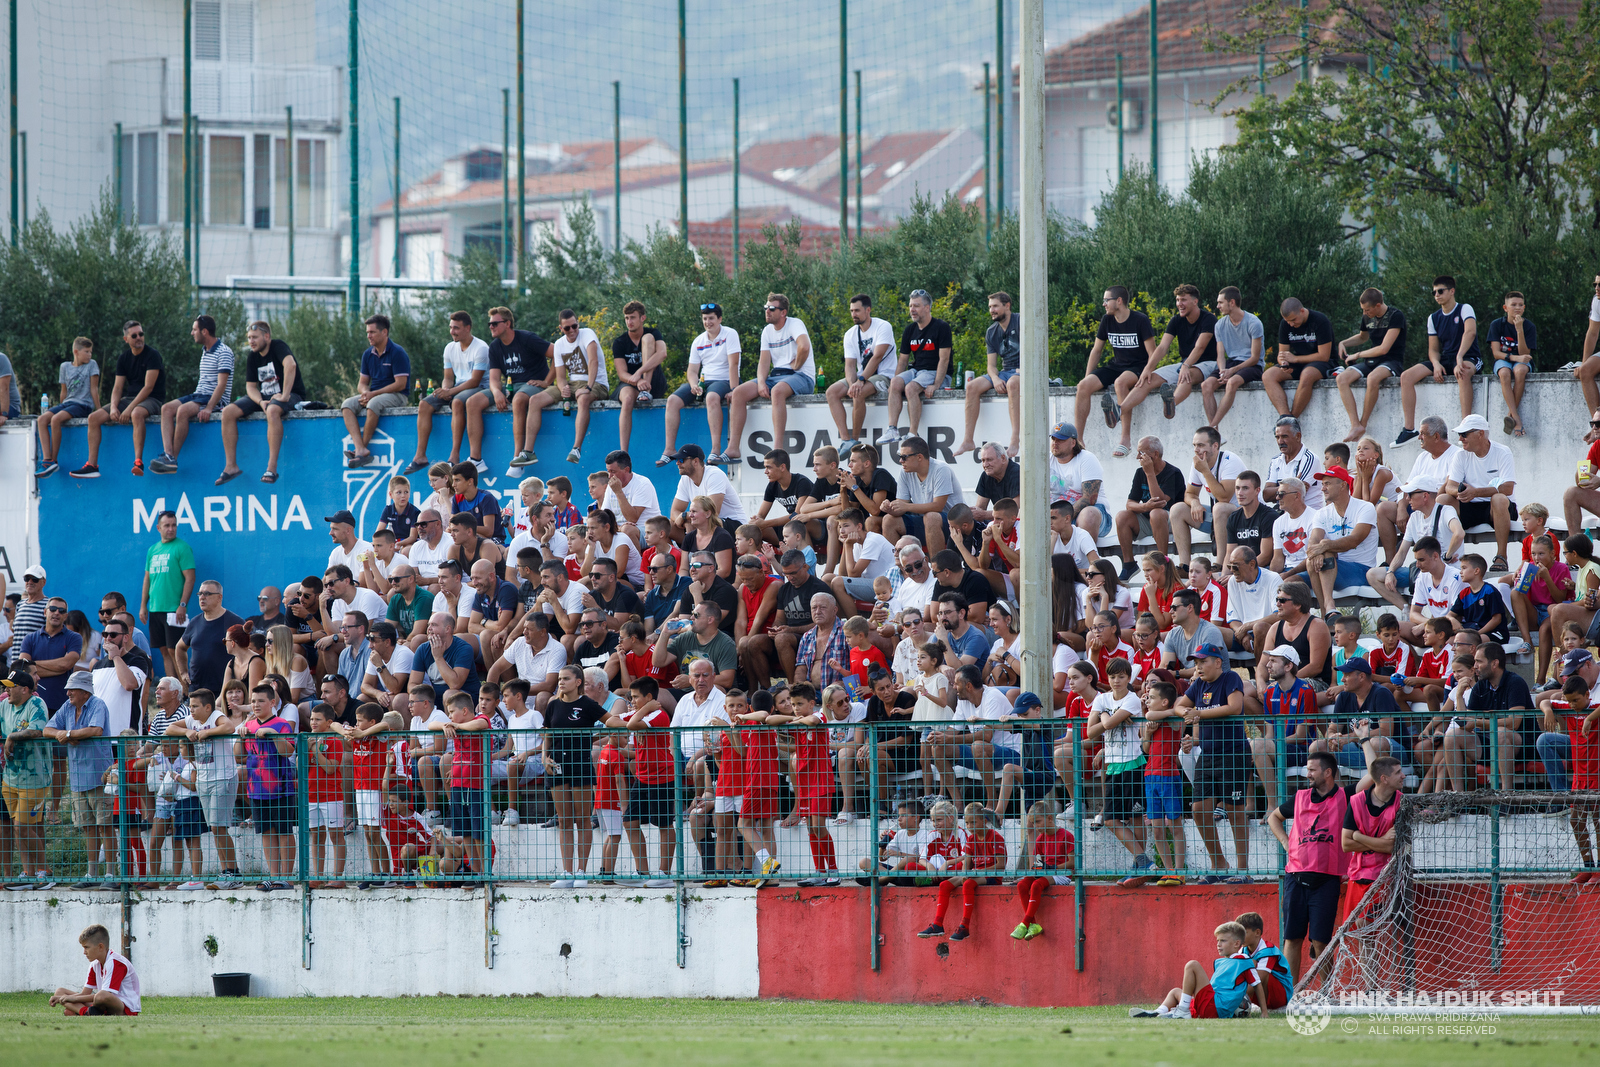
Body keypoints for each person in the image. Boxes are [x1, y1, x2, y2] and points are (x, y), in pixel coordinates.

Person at [1264, 751, 1346, 980]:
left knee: (1321, 941)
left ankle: (1328, 993)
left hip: (1327, 880)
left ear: (1328, 773)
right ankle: (1289, 993)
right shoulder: (1300, 797)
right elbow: (1273, 817)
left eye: (1312, 770)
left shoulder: (1345, 796)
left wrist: (1363, 740)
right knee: (1292, 938)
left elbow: (1372, 776)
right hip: (1296, 877)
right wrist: (1285, 842)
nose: (1307, 774)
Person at [1178, 644, 1252, 882]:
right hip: (1208, 755)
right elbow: (1179, 705)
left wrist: (1197, 713)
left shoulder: (1231, 678)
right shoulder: (1198, 684)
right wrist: (1191, 730)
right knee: (1198, 810)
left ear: (1218, 662)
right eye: (1196, 663)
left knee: (1234, 809)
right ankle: (1219, 864)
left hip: (1234, 753)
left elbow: (1234, 707)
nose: (1198, 667)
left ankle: (1242, 870)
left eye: (1203, 662)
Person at [1123, 284, 1217, 447]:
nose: (1179, 304)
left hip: (1208, 363)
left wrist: (1187, 365)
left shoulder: (1208, 319)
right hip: (1185, 363)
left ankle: (1171, 402)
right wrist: (1147, 369)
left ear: (1195, 301)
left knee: (1186, 376)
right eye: (1177, 300)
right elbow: (1162, 347)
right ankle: (1120, 409)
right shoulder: (1176, 320)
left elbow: (1200, 347)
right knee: (1148, 379)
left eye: (1184, 300)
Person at [726, 294, 814, 462]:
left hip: (801, 376)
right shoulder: (767, 331)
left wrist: (796, 365)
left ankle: (778, 449)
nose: (767, 311)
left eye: (772, 308)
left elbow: (804, 346)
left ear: (783, 312)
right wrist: (760, 383)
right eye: (766, 308)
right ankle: (734, 448)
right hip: (778, 376)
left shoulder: (795, 324)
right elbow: (764, 362)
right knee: (738, 393)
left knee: (777, 391)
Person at [72, 320, 165, 479]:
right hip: (129, 399)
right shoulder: (124, 358)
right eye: (134, 335)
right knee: (93, 418)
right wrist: (114, 407)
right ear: (126, 339)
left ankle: (138, 462)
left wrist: (128, 410)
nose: (139, 338)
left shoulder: (153, 355)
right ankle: (92, 465)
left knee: (136, 414)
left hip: (152, 399)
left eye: (141, 334)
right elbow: (117, 388)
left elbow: (148, 387)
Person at [214, 320, 303, 485]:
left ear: (267, 336)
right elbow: (250, 388)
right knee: (228, 412)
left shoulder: (278, 346)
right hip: (265, 395)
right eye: (249, 337)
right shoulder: (253, 357)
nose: (251, 341)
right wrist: (261, 401)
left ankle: (272, 468)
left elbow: (290, 365)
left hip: (291, 394)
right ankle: (231, 466)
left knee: (272, 411)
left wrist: (284, 395)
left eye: (254, 337)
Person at [1395, 276, 1480, 446]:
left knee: (1462, 372)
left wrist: (1459, 357)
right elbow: (1433, 349)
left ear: (1452, 291)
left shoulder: (1464, 309)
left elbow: (1470, 333)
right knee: (1406, 376)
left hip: (1468, 356)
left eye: (1440, 291)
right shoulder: (1433, 318)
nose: (1436, 295)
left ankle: (1466, 427)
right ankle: (1409, 429)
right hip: (1447, 359)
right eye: (1434, 292)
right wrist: (1436, 364)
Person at [1072, 285, 1157, 448]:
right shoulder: (1107, 320)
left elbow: (1153, 353)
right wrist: (1088, 376)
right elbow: (1096, 351)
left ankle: (1125, 440)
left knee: (1120, 383)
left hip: (1138, 367)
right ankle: (1077, 440)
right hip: (1116, 366)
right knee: (1083, 386)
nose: (1103, 304)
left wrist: (1147, 371)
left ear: (1119, 301)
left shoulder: (1140, 320)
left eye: (1106, 300)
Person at [150, 315, 234, 475]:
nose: (192, 333)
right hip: (199, 394)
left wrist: (209, 408)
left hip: (214, 400)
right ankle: (168, 455)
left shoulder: (224, 352)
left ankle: (172, 458)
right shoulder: (205, 351)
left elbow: (222, 385)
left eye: (194, 329)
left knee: (182, 411)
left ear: (205, 331)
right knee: (167, 408)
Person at [1368, 477, 1462, 613]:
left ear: (1425, 496)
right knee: (1373, 575)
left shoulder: (1446, 510)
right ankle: (1407, 610)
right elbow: (1402, 552)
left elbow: (1459, 533)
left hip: (1447, 572)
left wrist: (1446, 557)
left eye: (1410, 494)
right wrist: (1390, 572)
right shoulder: (1414, 517)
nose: (1407, 499)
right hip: (1423, 572)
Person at [478, 306, 555, 472]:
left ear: (507, 323)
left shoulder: (527, 338)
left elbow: (558, 352)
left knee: (519, 399)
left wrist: (548, 381)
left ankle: (518, 457)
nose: (491, 327)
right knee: (472, 402)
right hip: (511, 386)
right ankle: (475, 459)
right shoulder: (495, 346)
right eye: (489, 324)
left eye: (494, 323)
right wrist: (497, 392)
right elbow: (494, 379)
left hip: (533, 384)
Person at [662, 303, 740, 465]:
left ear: (720, 319)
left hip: (724, 379)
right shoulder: (698, 340)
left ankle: (715, 450)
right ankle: (669, 449)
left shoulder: (730, 334)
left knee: (711, 397)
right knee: (672, 400)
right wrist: (693, 385)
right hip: (704, 381)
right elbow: (692, 371)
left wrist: (734, 390)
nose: (708, 322)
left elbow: (733, 364)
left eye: (711, 318)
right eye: (705, 319)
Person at [1139, 921, 1268, 1019]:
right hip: (1209, 1005)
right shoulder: (1223, 961)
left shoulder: (1244, 961)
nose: (1218, 944)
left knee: (1192, 965)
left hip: (1217, 1006)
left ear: (1236, 944)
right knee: (1175, 992)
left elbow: (1257, 985)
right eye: (1217, 940)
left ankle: (1183, 1011)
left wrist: (1264, 1012)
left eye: (1223, 940)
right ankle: (1159, 1012)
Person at [1441, 413, 1518, 572]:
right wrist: (1460, 493)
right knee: (1443, 499)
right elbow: (1449, 487)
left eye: (1464, 434)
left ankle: (1501, 556)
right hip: (1470, 505)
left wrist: (1476, 492)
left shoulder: (1502, 452)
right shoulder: (1460, 455)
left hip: (1496, 509)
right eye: (1459, 435)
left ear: (1480, 433)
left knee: (1498, 499)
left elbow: (1508, 487)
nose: (1460, 439)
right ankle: (1446, 554)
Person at [1334, 288, 1408, 443]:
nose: (1365, 313)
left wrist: (1358, 355)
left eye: (1367, 309)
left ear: (1378, 305)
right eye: (1363, 310)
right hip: (1372, 361)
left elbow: (1384, 348)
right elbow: (1362, 337)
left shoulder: (1395, 316)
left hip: (1391, 361)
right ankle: (1355, 425)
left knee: (1373, 378)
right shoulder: (1367, 316)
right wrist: (1343, 343)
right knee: (1342, 379)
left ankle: (1363, 423)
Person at [343, 313, 414, 469]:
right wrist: (364, 393)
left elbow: (401, 384)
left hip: (397, 396)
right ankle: (360, 448)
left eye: (372, 332)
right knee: (347, 404)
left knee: (374, 403)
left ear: (384, 332)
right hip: (374, 395)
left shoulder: (397, 352)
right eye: (367, 332)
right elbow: (362, 383)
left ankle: (362, 451)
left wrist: (372, 395)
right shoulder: (368, 354)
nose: (369, 336)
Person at [1304, 466, 1380, 613]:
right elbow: (1312, 544)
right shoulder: (1322, 513)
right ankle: (1327, 612)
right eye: (1322, 484)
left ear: (1343, 485)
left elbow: (1354, 540)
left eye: (1327, 484)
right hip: (1330, 569)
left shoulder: (1365, 507)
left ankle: (1326, 611)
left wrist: (1325, 546)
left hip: (1361, 570)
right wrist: (1319, 551)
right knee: (1291, 583)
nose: (1322, 489)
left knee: (1325, 555)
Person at [0, 668, 50, 882]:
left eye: (11, 687)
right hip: (9, 778)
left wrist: (12, 736)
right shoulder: (4, 705)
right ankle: (28, 872)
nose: (6, 691)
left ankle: (44, 870)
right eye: (5, 687)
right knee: (17, 827)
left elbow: (37, 731)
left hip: (34, 778)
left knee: (23, 826)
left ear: (25, 689)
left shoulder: (37, 704)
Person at [955, 291, 1020, 457]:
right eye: (990, 307)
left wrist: (1025, 369)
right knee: (971, 386)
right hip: (1005, 372)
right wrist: (996, 378)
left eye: (995, 306)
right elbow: (991, 366)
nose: (992, 310)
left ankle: (1015, 438)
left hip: (1023, 372)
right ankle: (968, 440)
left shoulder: (1021, 321)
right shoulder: (991, 332)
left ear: (1007, 306)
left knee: (1013, 383)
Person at [883, 289, 952, 444]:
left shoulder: (941, 327)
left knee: (910, 388)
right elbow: (902, 361)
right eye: (910, 306)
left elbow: (944, 359)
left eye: (916, 306)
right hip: (917, 371)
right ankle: (892, 429)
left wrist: (936, 385)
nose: (912, 310)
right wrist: (894, 386)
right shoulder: (910, 330)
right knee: (895, 383)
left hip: (936, 371)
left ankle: (912, 433)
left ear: (927, 308)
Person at [1341, 754, 1403, 922]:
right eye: (1398, 772)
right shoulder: (1356, 801)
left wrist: (1359, 836)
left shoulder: (1401, 803)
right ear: (1384, 778)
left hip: (1385, 875)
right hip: (1358, 875)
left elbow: (1393, 847)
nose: (1403, 776)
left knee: (1367, 927)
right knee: (1359, 930)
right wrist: (1381, 840)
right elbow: (1346, 844)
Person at [1170, 426, 1244, 568]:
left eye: (1201, 445)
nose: (1196, 450)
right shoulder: (1198, 463)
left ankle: (1220, 563)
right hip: (1219, 517)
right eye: (1194, 445)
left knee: (1220, 507)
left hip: (1242, 515)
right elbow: (1189, 493)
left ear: (1215, 446)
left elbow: (1224, 497)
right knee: (1177, 509)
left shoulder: (1230, 460)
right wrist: (1195, 502)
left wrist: (1205, 471)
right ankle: (1184, 566)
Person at [546, 308, 610, 464]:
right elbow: (560, 377)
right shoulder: (559, 344)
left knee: (582, 399)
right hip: (573, 383)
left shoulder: (587, 334)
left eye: (574, 326)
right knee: (535, 400)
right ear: (561, 329)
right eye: (567, 328)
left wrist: (588, 387)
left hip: (596, 383)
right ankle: (527, 452)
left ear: (578, 324)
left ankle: (576, 448)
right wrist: (563, 388)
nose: (572, 330)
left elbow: (593, 361)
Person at [882, 436, 963, 558]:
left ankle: (937, 569)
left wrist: (906, 506)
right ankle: (898, 570)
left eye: (904, 457)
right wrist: (890, 508)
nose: (900, 461)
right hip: (927, 522)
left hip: (955, 523)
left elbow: (938, 507)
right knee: (888, 520)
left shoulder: (941, 469)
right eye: (900, 456)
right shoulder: (904, 471)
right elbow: (901, 506)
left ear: (919, 457)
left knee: (931, 517)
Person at [1114, 436, 1185, 574]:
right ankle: (1129, 564)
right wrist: (1145, 507)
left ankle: (1162, 562)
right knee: (1122, 516)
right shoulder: (1140, 473)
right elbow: (1130, 503)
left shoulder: (1173, 473)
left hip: (1172, 520)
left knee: (1156, 513)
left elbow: (1159, 502)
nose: (1138, 457)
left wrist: (1150, 474)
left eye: (1141, 453)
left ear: (1155, 454)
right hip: (1149, 519)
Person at [1197, 286, 1265, 430]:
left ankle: (1212, 427)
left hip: (1252, 365)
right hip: (1231, 363)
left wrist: (1232, 371)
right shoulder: (1220, 325)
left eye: (1221, 302)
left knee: (1232, 382)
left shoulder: (1254, 322)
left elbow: (1255, 357)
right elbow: (1220, 354)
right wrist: (1222, 371)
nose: (1218, 306)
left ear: (1232, 302)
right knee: (1206, 385)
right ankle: (1215, 431)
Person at [609, 301, 669, 455]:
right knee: (627, 399)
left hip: (653, 383)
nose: (629, 322)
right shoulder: (620, 342)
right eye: (627, 318)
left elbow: (662, 354)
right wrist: (637, 379)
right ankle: (623, 453)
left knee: (648, 338)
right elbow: (622, 374)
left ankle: (645, 390)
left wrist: (641, 374)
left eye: (633, 317)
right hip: (631, 384)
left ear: (643, 318)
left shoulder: (654, 333)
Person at [35, 336, 99, 478]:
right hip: (68, 403)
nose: (89, 355)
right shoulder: (65, 367)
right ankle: (46, 459)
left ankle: (53, 460)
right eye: (87, 352)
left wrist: (99, 409)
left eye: (91, 352)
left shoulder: (92, 365)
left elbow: (94, 389)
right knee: (42, 419)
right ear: (76, 352)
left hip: (83, 404)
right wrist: (61, 405)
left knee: (56, 419)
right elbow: (64, 391)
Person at [1262, 298, 1334, 419]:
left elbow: (1324, 356)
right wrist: (1284, 364)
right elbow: (1282, 353)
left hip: (1322, 363)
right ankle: (1284, 416)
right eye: (1287, 321)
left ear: (1302, 311)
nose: (1291, 324)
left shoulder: (1320, 320)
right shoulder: (1285, 324)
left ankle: (1293, 419)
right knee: (1268, 376)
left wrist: (1295, 359)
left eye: (1293, 320)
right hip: (1297, 362)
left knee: (1307, 374)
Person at [1013, 799, 1073, 940]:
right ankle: (1034, 924)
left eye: (1038, 821)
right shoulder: (1040, 839)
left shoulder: (1066, 835)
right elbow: (1038, 863)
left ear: (1050, 818)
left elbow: (1073, 862)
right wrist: (1038, 868)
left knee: (1036, 885)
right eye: (1033, 823)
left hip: (1062, 874)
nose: (1036, 826)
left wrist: (1053, 867)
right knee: (1022, 884)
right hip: (1046, 873)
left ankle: (1024, 923)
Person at [50, 925, 140, 1017]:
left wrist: (72, 999)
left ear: (100, 947)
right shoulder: (95, 964)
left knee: (101, 995)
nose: (84, 952)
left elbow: (106, 995)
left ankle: (80, 1011)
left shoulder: (116, 963)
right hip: (102, 1003)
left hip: (125, 1009)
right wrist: (64, 997)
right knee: (60, 992)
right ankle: (86, 1012)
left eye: (86, 947)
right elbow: (85, 994)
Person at [174, 580, 244, 694]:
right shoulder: (195, 622)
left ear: (219, 597)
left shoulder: (235, 623)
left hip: (224, 691)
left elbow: (247, 653)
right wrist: (183, 673)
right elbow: (180, 648)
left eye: (207, 594)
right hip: (197, 689)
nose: (202, 597)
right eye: (200, 594)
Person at [1049, 423, 1109, 545]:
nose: (1055, 442)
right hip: (1055, 515)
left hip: (1092, 514)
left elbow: (1089, 498)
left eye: (1061, 440)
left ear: (1073, 443)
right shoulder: (1046, 460)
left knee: (1089, 514)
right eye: (1053, 439)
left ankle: (1087, 562)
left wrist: (1061, 519)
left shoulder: (1087, 459)